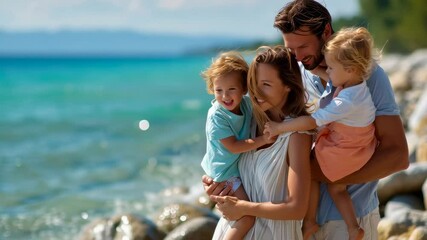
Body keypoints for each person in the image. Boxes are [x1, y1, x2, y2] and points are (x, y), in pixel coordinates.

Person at [273, 1, 409, 239]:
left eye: (303, 46)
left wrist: (317, 173)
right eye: (291, 49)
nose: (298, 57)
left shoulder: (368, 75)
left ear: (326, 31)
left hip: (350, 221)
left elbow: (397, 156)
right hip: (301, 221)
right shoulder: (299, 73)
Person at [264, 27, 378, 240]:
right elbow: (328, 75)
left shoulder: (346, 101)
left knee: (311, 170)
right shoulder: (356, 84)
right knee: (337, 190)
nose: (329, 72)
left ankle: (309, 222)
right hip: (360, 147)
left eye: (332, 67)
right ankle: (354, 227)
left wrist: (280, 128)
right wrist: (308, 68)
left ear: (351, 68)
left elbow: (313, 120)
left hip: (344, 149)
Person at [206, 45, 313, 239]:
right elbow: (222, 156)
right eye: (253, 83)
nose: (255, 92)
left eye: (266, 84)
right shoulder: (248, 118)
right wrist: (212, 183)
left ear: (288, 85)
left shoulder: (297, 135)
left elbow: (296, 208)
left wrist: (244, 208)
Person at [200, 51, 274, 240]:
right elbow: (233, 146)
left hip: (233, 168)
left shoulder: (247, 105)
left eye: (231, 89)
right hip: (224, 173)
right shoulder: (217, 116)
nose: (225, 96)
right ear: (212, 89)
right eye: (219, 90)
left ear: (243, 89)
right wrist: (262, 140)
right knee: (246, 217)